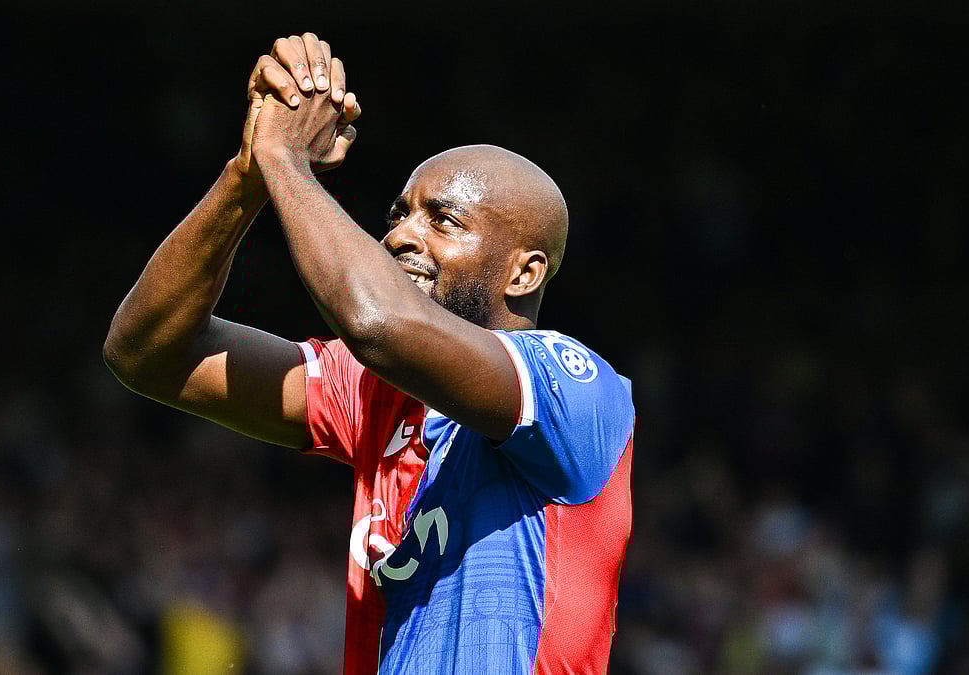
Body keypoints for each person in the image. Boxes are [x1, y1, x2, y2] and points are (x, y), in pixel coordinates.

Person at [103, 33, 635, 674]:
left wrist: (287, 164)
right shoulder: (375, 393)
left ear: (522, 274)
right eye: (400, 214)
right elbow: (147, 353)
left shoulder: (574, 390)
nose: (400, 235)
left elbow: (377, 322)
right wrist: (248, 175)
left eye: (443, 221)